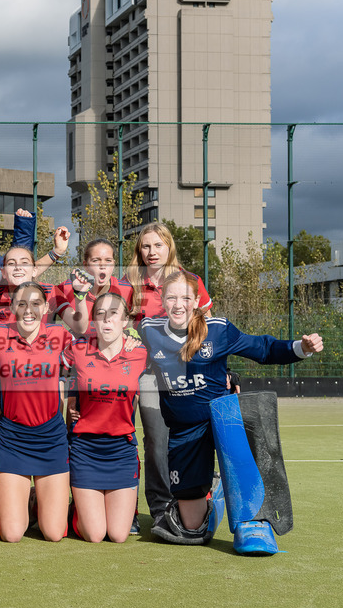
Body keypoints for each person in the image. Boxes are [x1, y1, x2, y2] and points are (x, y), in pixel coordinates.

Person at [140, 271, 323, 544]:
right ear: (162, 301)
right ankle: (216, 492)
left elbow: (262, 348)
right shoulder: (149, 331)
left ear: (197, 301)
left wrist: (300, 347)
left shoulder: (218, 329)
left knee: (245, 480)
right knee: (191, 528)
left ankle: (252, 521)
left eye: (186, 298)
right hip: (184, 431)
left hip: (223, 423)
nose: (178, 304)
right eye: (171, 297)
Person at [123, 223, 212, 529]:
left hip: (183, 376)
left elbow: (207, 327)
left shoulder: (190, 281)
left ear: (169, 247)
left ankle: (180, 504)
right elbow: (116, 324)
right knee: (150, 441)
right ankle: (155, 507)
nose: (152, 252)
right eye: (146, 246)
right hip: (143, 374)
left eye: (158, 245)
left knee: (171, 441)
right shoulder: (128, 283)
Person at [0, 282, 73, 543]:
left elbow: (92, 353)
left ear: (46, 307)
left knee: (54, 533)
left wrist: (128, 340)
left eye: (36, 303)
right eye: (22, 303)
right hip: (12, 438)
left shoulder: (59, 334)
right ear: (12, 307)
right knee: (11, 534)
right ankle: (5, 500)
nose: (28, 310)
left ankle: (36, 499)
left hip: (51, 437)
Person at [65, 293, 147, 543]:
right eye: (100, 314)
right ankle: (69, 509)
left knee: (118, 535)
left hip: (121, 450)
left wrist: (229, 375)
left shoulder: (141, 353)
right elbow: (45, 368)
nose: (106, 320)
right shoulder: (78, 350)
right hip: (85, 448)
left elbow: (177, 357)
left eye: (114, 314)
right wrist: (70, 399)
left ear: (125, 322)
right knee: (95, 534)